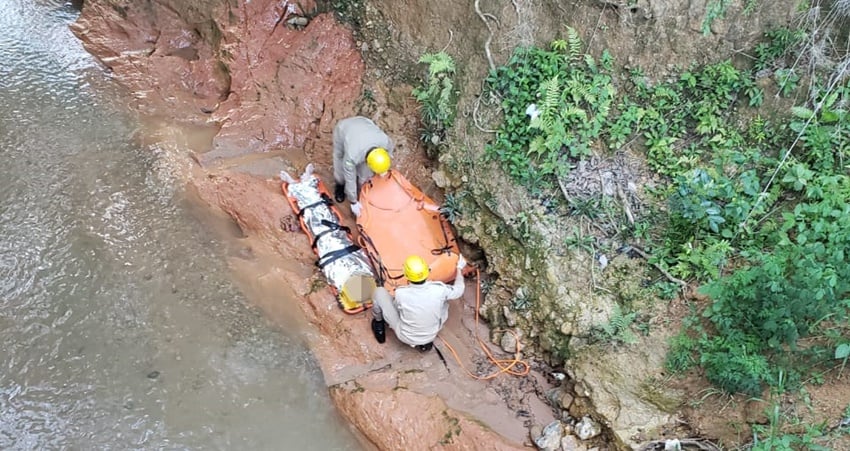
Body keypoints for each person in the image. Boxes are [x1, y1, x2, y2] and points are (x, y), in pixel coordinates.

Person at [370, 254, 467, 352]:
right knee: (444, 302)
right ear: (427, 271)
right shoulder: (439, 289)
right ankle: (424, 342)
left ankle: (379, 323)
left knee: (379, 292)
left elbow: (396, 309)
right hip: (432, 333)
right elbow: (459, 290)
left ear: (406, 275)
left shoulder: (401, 293)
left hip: (406, 337)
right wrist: (459, 268)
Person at [332, 116, 394, 217]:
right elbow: (349, 176)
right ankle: (339, 186)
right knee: (340, 163)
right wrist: (353, 201)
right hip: (343, 130)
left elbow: (389, 152)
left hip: (363, 122)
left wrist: (382, 169)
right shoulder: (352, 155)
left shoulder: (385, 141)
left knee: (365, 174)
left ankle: (362, 191)